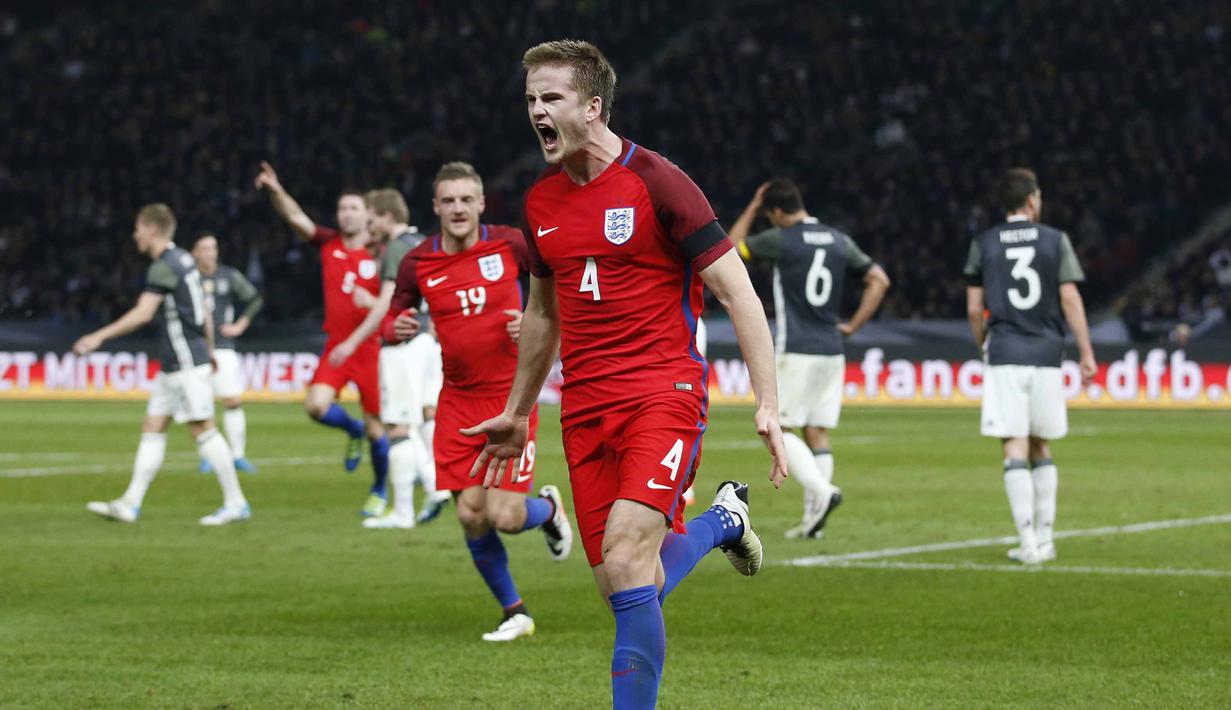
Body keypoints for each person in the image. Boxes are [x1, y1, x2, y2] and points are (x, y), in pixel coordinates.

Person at [462, 41, 788, 709]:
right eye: (529, 99)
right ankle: (722, 521)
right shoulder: (540, 201)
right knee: (624, 583)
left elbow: (738, 292)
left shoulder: (657, 182)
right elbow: (542, 317)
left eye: (549, 97)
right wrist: (518, 412)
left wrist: (767, 403)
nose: (535, 111)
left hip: (661, 394)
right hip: (584, 409)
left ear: (592, 105)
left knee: (627, 555)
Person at [382, 162, 573, 641]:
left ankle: (548, 511)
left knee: (504, 516)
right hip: (458, 403)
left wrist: (532, 323)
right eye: (449, 200)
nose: (458, 208)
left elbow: (557, 295)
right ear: (436, 207)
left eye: (467, 199)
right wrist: (397, 328)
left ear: (482, 203)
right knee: (470, 514)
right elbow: (392, 316)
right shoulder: (417, 261)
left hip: (511, 400)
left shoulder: (510, 243)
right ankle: (515, 611)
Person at [729, 178, 891, 539]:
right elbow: (879, 279)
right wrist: (853, 325)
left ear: (776, 212)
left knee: (777, 427)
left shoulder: (781, 238)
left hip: (797, 348)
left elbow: (730, 250)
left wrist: (752, 208)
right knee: (817, 432)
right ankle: (813, 521)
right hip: (833, 349)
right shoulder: (838, 239)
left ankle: (822, 492)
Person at [77, 204, 250, 526]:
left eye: (138, 228)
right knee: (153, 427)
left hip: (185, 361)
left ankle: (236, 502)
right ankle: (130, 503)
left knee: (202, 429)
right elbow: (206, 311)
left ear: (152, 229)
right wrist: (210, 349)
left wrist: (98, 336)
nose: (135, 235)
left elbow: (143, 313)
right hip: (179, 362)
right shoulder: (185, 259)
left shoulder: (163, 267)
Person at [964, 167, 1096, 565]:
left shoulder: (984, 243)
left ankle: (1027, 544)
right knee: (1042, 443)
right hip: (1047, 353)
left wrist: (984, 342)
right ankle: (1047, 537)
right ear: (1032, 200)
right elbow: (1070, 297)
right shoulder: (1056, 240)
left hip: (1005, 351)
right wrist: (1086, 351)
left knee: (1014, 445)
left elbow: (974, 308)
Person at [254, 162, 390, 517]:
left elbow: (396, 302)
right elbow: (296, 218)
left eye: (353, 209)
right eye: (342, 208)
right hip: (337, 345)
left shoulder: (382, 252)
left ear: (367, 214)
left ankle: (378, 489)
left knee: (381, 431)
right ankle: (352, 429)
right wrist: (275, 188)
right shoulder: (329, 243)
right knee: (315, 406)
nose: (346, 215)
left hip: (371, 350)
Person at [361, 188, 450, 529]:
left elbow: (387, 304)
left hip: (402, 343)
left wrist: (356, 336)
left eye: (372, 221)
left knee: (398, 425)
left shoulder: (396, 248)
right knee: (426, 415)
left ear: (386, 216)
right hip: (427, 338)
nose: (370, 229)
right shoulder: (426, 242)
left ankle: (404, 510)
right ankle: (436, 482)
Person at [191, 233, 263, 474]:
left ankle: (237, 454)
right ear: (195, 253)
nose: (210, 253)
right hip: (194, 350)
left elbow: (254, 299)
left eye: (214, 248)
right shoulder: (188, 279)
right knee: (201, 407)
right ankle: (208, 457)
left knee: (232, 400)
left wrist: (240, 325)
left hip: (223, 347)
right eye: (205, 248)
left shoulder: (228, 276)